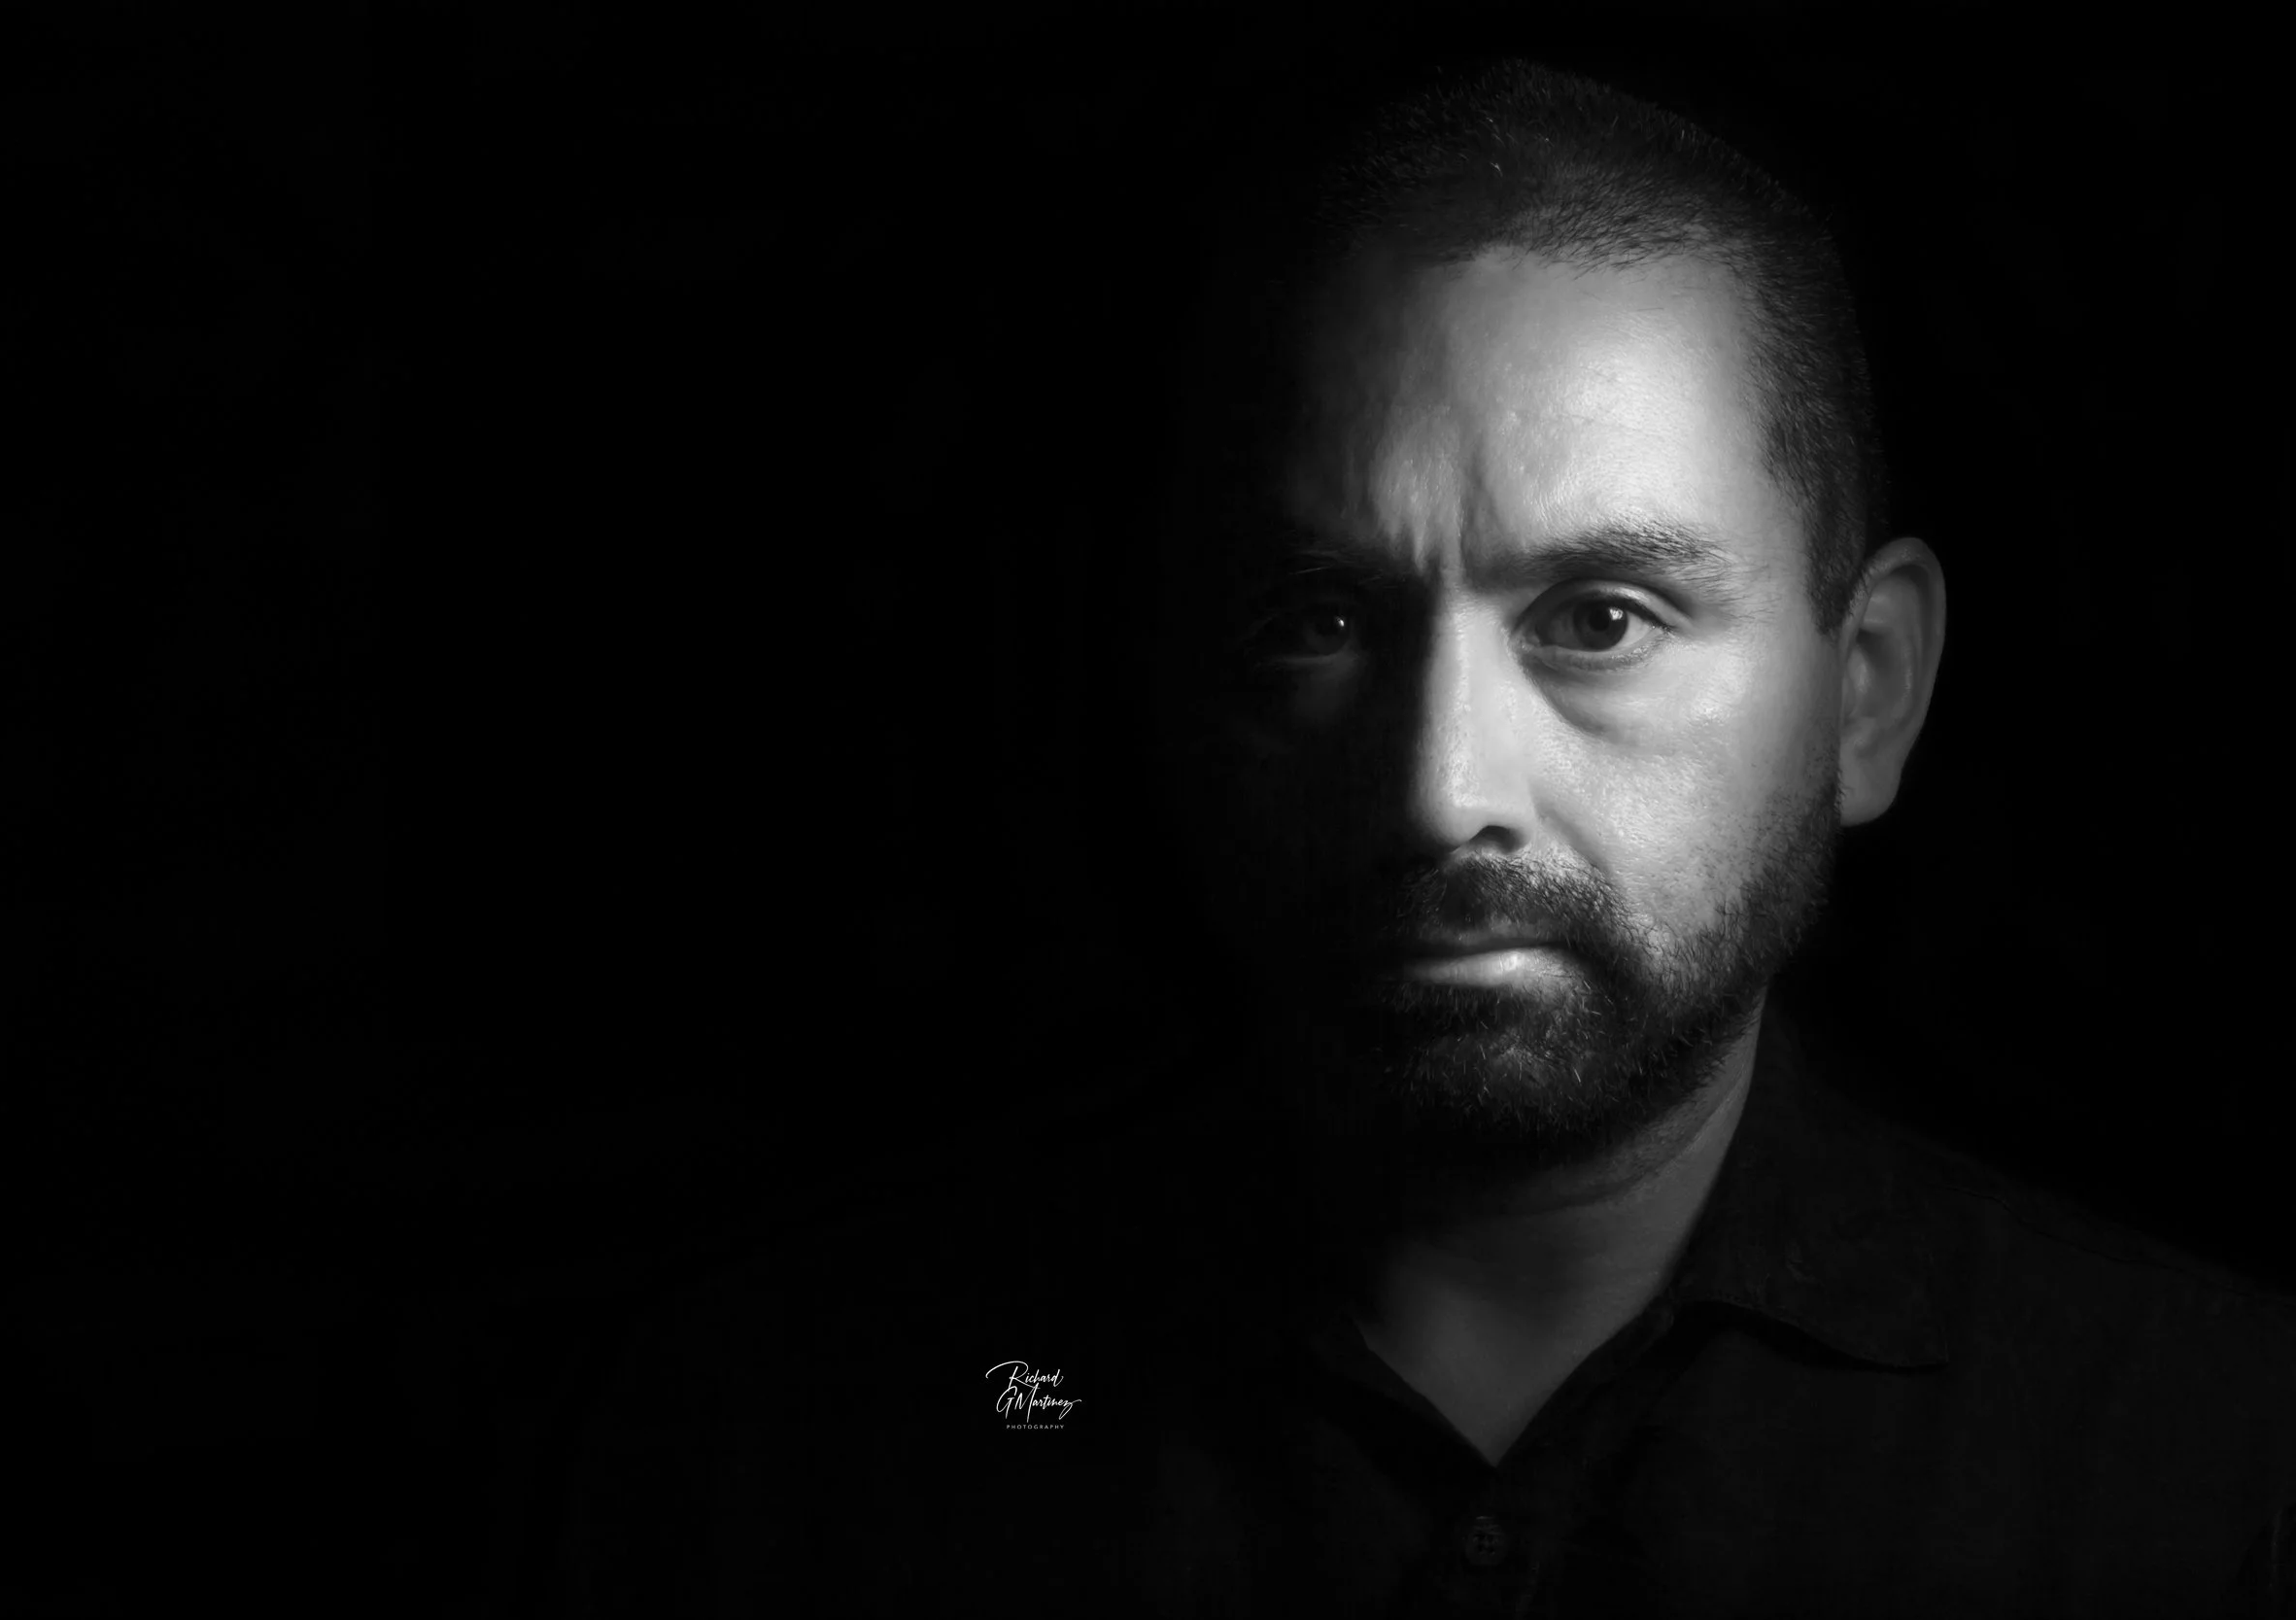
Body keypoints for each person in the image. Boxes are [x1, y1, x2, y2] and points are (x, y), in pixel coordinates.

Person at [552, 60, 2296, 1617]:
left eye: (1600, 618)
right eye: (1320, 622)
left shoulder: (2207, 1454)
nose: (1438, 783)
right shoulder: (827, 1427)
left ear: (1868, 693)